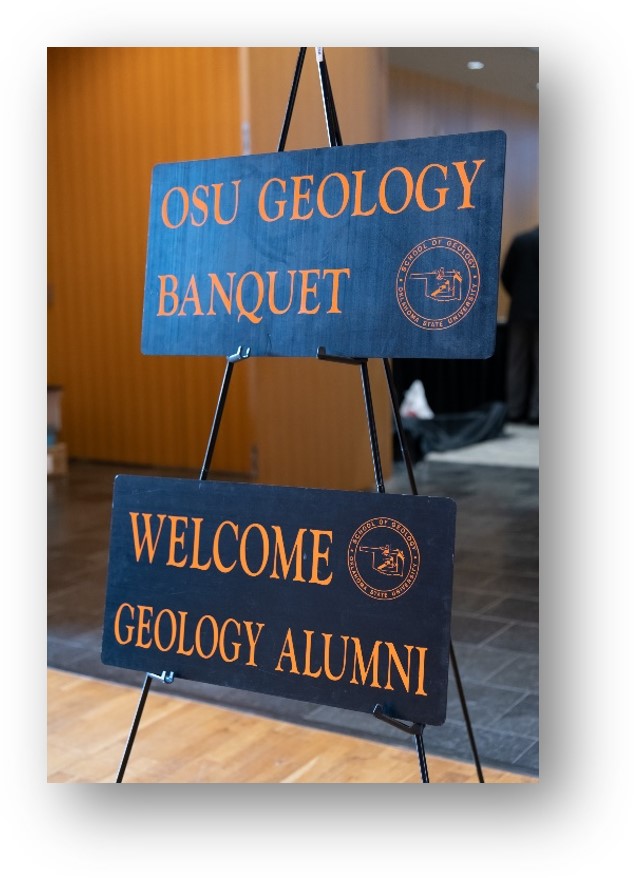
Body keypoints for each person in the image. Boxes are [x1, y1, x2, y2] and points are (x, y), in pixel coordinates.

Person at [501, 225, 539, 425]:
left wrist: (518, 296)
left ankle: (514, 410)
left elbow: (505, 274)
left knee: (516, 362)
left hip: (520, 309)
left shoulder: (521, 240)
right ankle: (536, 412)